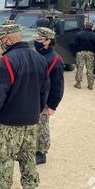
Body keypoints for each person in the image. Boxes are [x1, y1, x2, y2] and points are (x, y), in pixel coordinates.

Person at [0, 24, 50, 189]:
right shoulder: (39, 59)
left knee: (5, 159)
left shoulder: (7, 61)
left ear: (9, 40)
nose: (1, 44)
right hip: (31, 120)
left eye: (2, 40)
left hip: (9, 122)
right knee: (28, 157)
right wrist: (38, 110)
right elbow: (45, 90)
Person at [33, 27, 64, 165]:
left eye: (39, 39)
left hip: (45, 100)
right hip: (34, 97)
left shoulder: (55, 59)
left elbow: (58, 85)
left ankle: (41, 152)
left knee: (42, 126)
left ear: (47, 41)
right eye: (36, 38)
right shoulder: (38, 54)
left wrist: (52, 106)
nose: (36, 41)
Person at [74, 21, 95, 90]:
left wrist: (76, 52)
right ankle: (90, 85)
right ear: (92, 27)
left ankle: (78, 83)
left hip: (80, 52)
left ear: (85, 26)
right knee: (90, 69)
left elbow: (75, 44)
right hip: (90, 53)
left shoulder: (78, 34)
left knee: (80, 68)